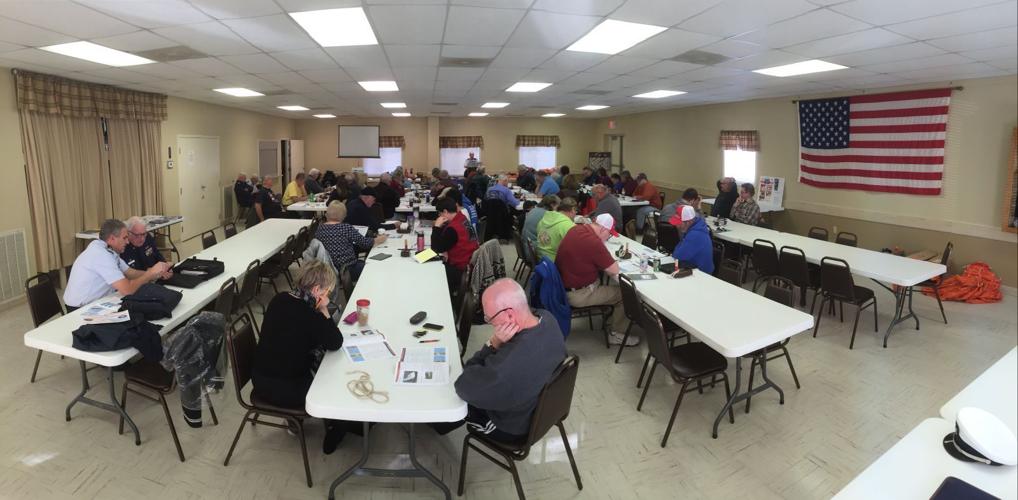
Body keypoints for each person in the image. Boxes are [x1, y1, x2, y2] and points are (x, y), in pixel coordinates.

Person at [251, 260, 349, 454]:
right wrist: (324, 311)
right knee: (337, 381)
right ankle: (336, 429)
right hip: (286, 390)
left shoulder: (279, 299)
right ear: (316, 290)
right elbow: (335, 343)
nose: (328, 295)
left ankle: (293, 422)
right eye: (327, 291)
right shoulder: (311, 315)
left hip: (260, 379)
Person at [454, 278, 566, 443]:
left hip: (511, 428)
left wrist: (493, 344)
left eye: (489, 318)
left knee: (457, 402)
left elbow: (463, 384)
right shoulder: (548, 318)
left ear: (510, 315)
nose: (490, 323)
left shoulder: (507, 367)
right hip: (541, 411)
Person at [555, 214, 636, 346]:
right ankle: (617, 335)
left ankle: (613, 319)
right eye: (609, 234)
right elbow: (614, 270)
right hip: (579, 294)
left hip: (565, 286)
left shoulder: (576, 229)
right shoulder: (593, 242)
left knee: (604, 276)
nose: (608, 238)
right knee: (625, 294)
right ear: (603, 229)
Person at [63, 219, 171, 311]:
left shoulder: (107, 249)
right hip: (80, 309)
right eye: (124, 238)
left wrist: (155, 274)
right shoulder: (101, 255)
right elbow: (127, 290)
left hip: (97, 301)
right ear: (112, 239)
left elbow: (130, 272)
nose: (127, 242)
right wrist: (149, 274)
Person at [316, 202, 387, 281]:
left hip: (327, 270)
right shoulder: (346, 228)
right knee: (374, 267)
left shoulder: (319, 229)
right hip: (347, 270)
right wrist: (379, 239)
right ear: (343, 215)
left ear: (327, 214)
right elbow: (365, 243)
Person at [431, 196, 480, 289]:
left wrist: (437, 226)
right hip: (470, 264)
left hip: (461, 271)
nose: (439, 216)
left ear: (445, 212)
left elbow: (436, 248)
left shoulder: (453, 229)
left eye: (439, 213)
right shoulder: (462, 217)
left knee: (431, 270)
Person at [670, 205, 714, 274]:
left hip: (701, 276)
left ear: (689, 222)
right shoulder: (695, 228)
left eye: (679, 223)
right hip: (692, 268)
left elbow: (677, 256)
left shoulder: (695, 235)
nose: (677, 226)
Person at [535, 197, 577, 261]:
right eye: (576, 210)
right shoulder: (568, 225)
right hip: (554, 263)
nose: (576, 213)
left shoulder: (544, 218)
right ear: (573, 209)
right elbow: (575, 248)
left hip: (540, 258)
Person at [523, 195, 558, 260]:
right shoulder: (546, 214)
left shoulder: (534, 210)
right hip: (533, 251)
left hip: (528, 247)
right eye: (557, 206)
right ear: (552, 205)